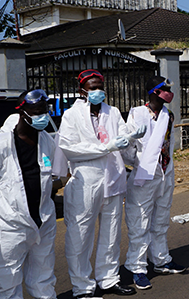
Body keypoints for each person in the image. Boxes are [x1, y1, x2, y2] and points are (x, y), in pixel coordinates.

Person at [57, 69, 138, 298]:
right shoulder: (72, 116)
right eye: (93, 87)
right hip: (86, 182)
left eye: (100, 87)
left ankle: (109, 279)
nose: (98, 91)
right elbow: (70, 148)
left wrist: (130, 137)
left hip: (113, 179)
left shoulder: (112, 112)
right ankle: (82, 287)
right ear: (82, 90)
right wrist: (105, 147)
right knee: (80, 236)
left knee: (111, 235)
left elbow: (122, 134)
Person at [122, 76, 185, 290]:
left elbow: (170, 143)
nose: (168, 92)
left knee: (161, 218)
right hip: (143, 173)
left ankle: (161, 259)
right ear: (153, 92)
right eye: (164, 89)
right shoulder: (137, 114)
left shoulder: (169, 115)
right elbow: (127, 147)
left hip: (165, 172)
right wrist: (137, 164)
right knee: (140, 221)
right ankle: (137, 267)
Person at [0, 90, 57, 299]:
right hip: (11, 223)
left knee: (44, 275)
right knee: (8, 279)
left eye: (44, 111)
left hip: (43, 218)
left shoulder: (46, 141)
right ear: (22, 112)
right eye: (36, 113)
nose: (42, 117)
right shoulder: (4, 142)